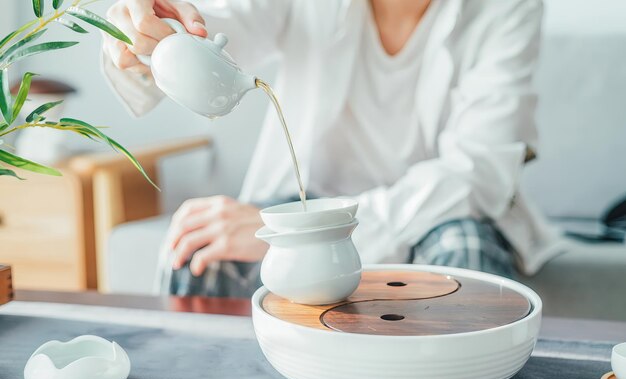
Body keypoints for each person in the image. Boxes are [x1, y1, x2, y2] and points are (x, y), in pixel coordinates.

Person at [103, 0, 564, 297]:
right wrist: (150, 33)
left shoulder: (507, 9)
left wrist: (322, 232)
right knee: (202, 251)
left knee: (466, 259)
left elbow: (476, 173)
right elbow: (221, 24)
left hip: (439, 215)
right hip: (309, 199)